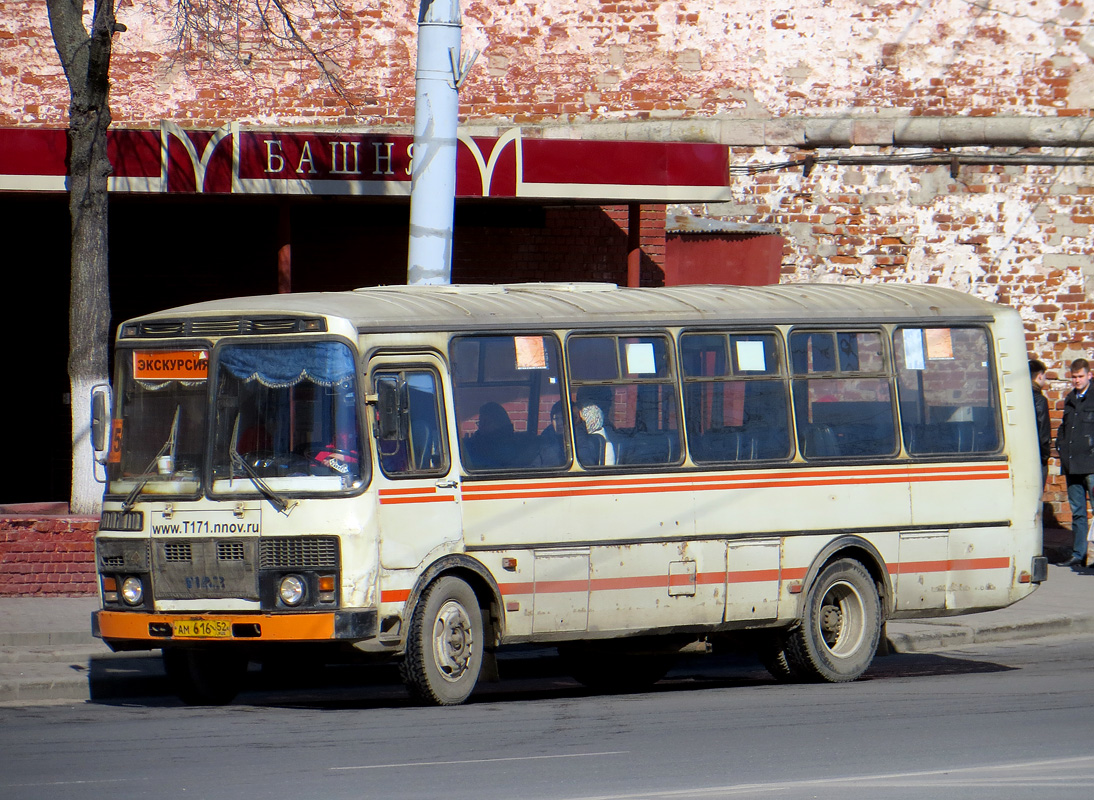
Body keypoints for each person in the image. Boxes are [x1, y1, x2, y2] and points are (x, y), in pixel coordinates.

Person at [1056, 358, 1094, 566]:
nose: (1077, 380)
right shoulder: (1071, 399)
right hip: (1072, 465)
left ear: (1089, 375)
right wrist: (1061, 446)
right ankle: (1079, 554)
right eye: (1074, 377)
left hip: (1091, 464)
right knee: (1078, 512)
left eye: (1080, 376)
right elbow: (1064, 428)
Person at [1030, 359, 1051, 490]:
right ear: (1040, 375)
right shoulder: (1040, 400)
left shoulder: (1019, 397)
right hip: (1037, 457)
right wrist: (1045, 456)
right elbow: (1043, 433)